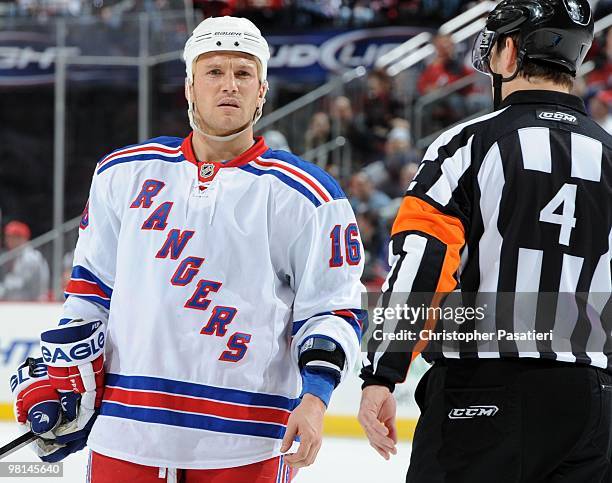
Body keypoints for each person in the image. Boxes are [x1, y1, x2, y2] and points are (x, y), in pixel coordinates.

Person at [10, 16, 365, 482]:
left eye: (243, 74)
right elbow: (90, 292)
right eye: (214, 72)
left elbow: (332, 309)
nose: (229, 86)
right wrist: (68, 379)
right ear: (189, 87)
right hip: (126, 432)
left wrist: (316, 399)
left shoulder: (307, 194)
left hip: (247, 440)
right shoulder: (123, 174)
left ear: (261, 92)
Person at [358, 0, 612, 481]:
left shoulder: (468, 144)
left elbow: (424, 261)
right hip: (592, 401)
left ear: (509, 51)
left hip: (483, 393)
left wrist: (383, 371)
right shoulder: (609, 154)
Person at [0, 220, 49, 301]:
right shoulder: (19, 255)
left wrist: (2, 288)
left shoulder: (30, 257)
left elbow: (18, 283)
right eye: (7, 237)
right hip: (24, 303)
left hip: (35, 304)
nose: (7, 241)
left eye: (12, 237)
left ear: (22, 238)